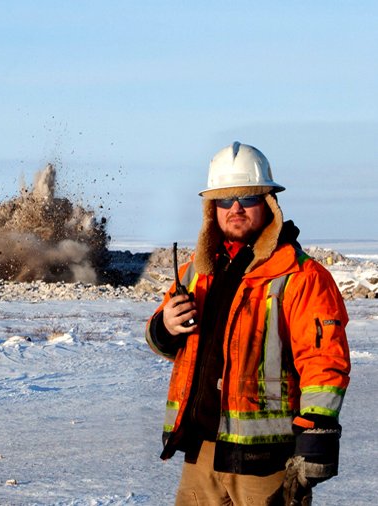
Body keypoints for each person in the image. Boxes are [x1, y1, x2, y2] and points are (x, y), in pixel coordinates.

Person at [145, 142, 351, 505]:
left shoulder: (302, 276)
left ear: (269, 203)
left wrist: (316, 440)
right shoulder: (197, 271)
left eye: (247, 197)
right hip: (203, 454)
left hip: (267, 460)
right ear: (212, 209)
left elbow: (324, 363)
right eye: (224, 199)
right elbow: (164, 341)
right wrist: (166, 326)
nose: (235, 207)